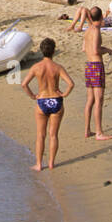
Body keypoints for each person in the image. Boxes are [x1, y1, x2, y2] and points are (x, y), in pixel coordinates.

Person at [21, 38, 75, 171]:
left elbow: (24, 84)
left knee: (41, 135)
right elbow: (71, 84)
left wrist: (33, 96)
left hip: (42, 100)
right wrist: (65, 94)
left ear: (41, 51)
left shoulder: (36, 67)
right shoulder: (57, 67)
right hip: (56, 100)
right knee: (53, 135)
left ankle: (39, 164)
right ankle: (51, 163)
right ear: (53, 51)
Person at [81, 7, 112, 140]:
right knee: (99, 100)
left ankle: (87, 129)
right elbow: (96, 50)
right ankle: (99, 132)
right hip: (95, 66)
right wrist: (107, 50)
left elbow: (84, 48)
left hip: (89, 65)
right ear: (101, 17)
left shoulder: (88, 29)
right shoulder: (95, 31)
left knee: (90, 100)